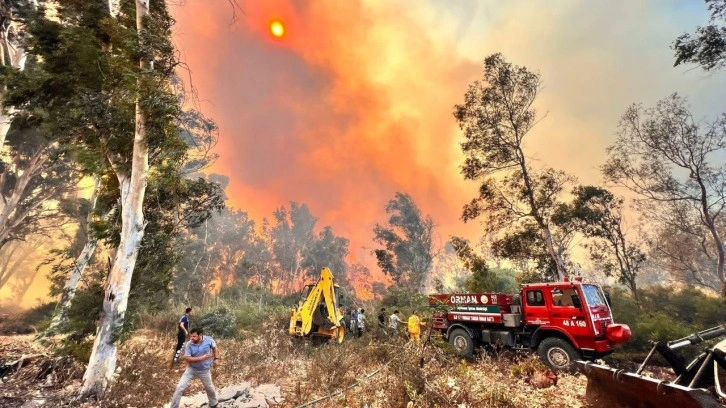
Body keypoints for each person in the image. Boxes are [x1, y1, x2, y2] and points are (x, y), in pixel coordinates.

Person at [169, 328, 219, 408]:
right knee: (179, 387)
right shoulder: (189, 344)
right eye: (191, 336)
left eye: (194, 336)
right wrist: (202, 358)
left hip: (204, 370)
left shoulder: (209, 340)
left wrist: (216, 358)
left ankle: (214, 403)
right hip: (191, 369)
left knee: (209, 387)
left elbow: (214, 347)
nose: (192, 338)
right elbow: (187, 359)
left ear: (200, 335)